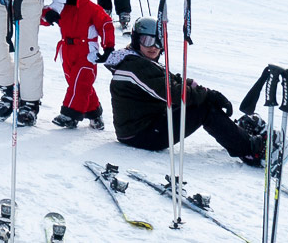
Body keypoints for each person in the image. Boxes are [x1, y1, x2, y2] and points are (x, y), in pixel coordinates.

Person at [106, 17, 266, 166]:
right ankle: (250, 150)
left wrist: (206, 92)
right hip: (141, 135)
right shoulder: (133, 66)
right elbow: (172, 93)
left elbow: (172, 80)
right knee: (203, 109)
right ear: (136, 40)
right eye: (147, 41)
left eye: (159, 42)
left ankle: (236, 133)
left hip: (145, 126)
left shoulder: (137, 60)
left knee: (201, 100)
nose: (154, 47)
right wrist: (207, 96)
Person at [47, 0, 114, 129]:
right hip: (67, 52)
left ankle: (70, 114)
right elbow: (42, 16)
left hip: (87, 53)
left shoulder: (92, 8)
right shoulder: (61, 7)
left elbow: (106, 24)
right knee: (77, 84)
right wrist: (47, 15)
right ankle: (94, 113)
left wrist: (108, 47)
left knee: (81, 83)